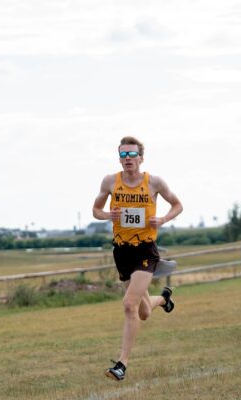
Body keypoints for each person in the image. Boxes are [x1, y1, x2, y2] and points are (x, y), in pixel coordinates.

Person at [92, 136, 183, 380]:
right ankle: (163, 299)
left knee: (128, 305)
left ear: (141, 158)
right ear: (119, 158)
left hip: (145, 250)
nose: (128, 159)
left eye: (132, 154)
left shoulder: (154, 182)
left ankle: (121, 364)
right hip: (121, 251)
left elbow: (177, 205)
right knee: (143, 312)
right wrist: (108, 215)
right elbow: (96, 210)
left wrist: (162, 219)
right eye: (123, 155)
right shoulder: (110, 182)